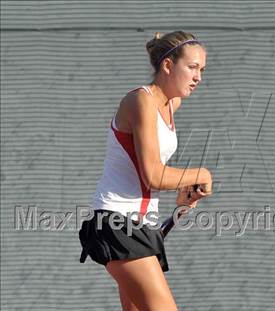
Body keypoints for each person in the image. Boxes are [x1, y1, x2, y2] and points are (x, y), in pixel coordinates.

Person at [79, 30, 212, 311]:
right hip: (116, 223)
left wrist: (180, 207)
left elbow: (151, 182)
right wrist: (201, 174)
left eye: (202, 69)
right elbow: (152, 174)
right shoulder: (142, 100)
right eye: (192, 67)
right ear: (167, 65)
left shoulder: (169, 104)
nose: (199, 76)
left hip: (139, 226)